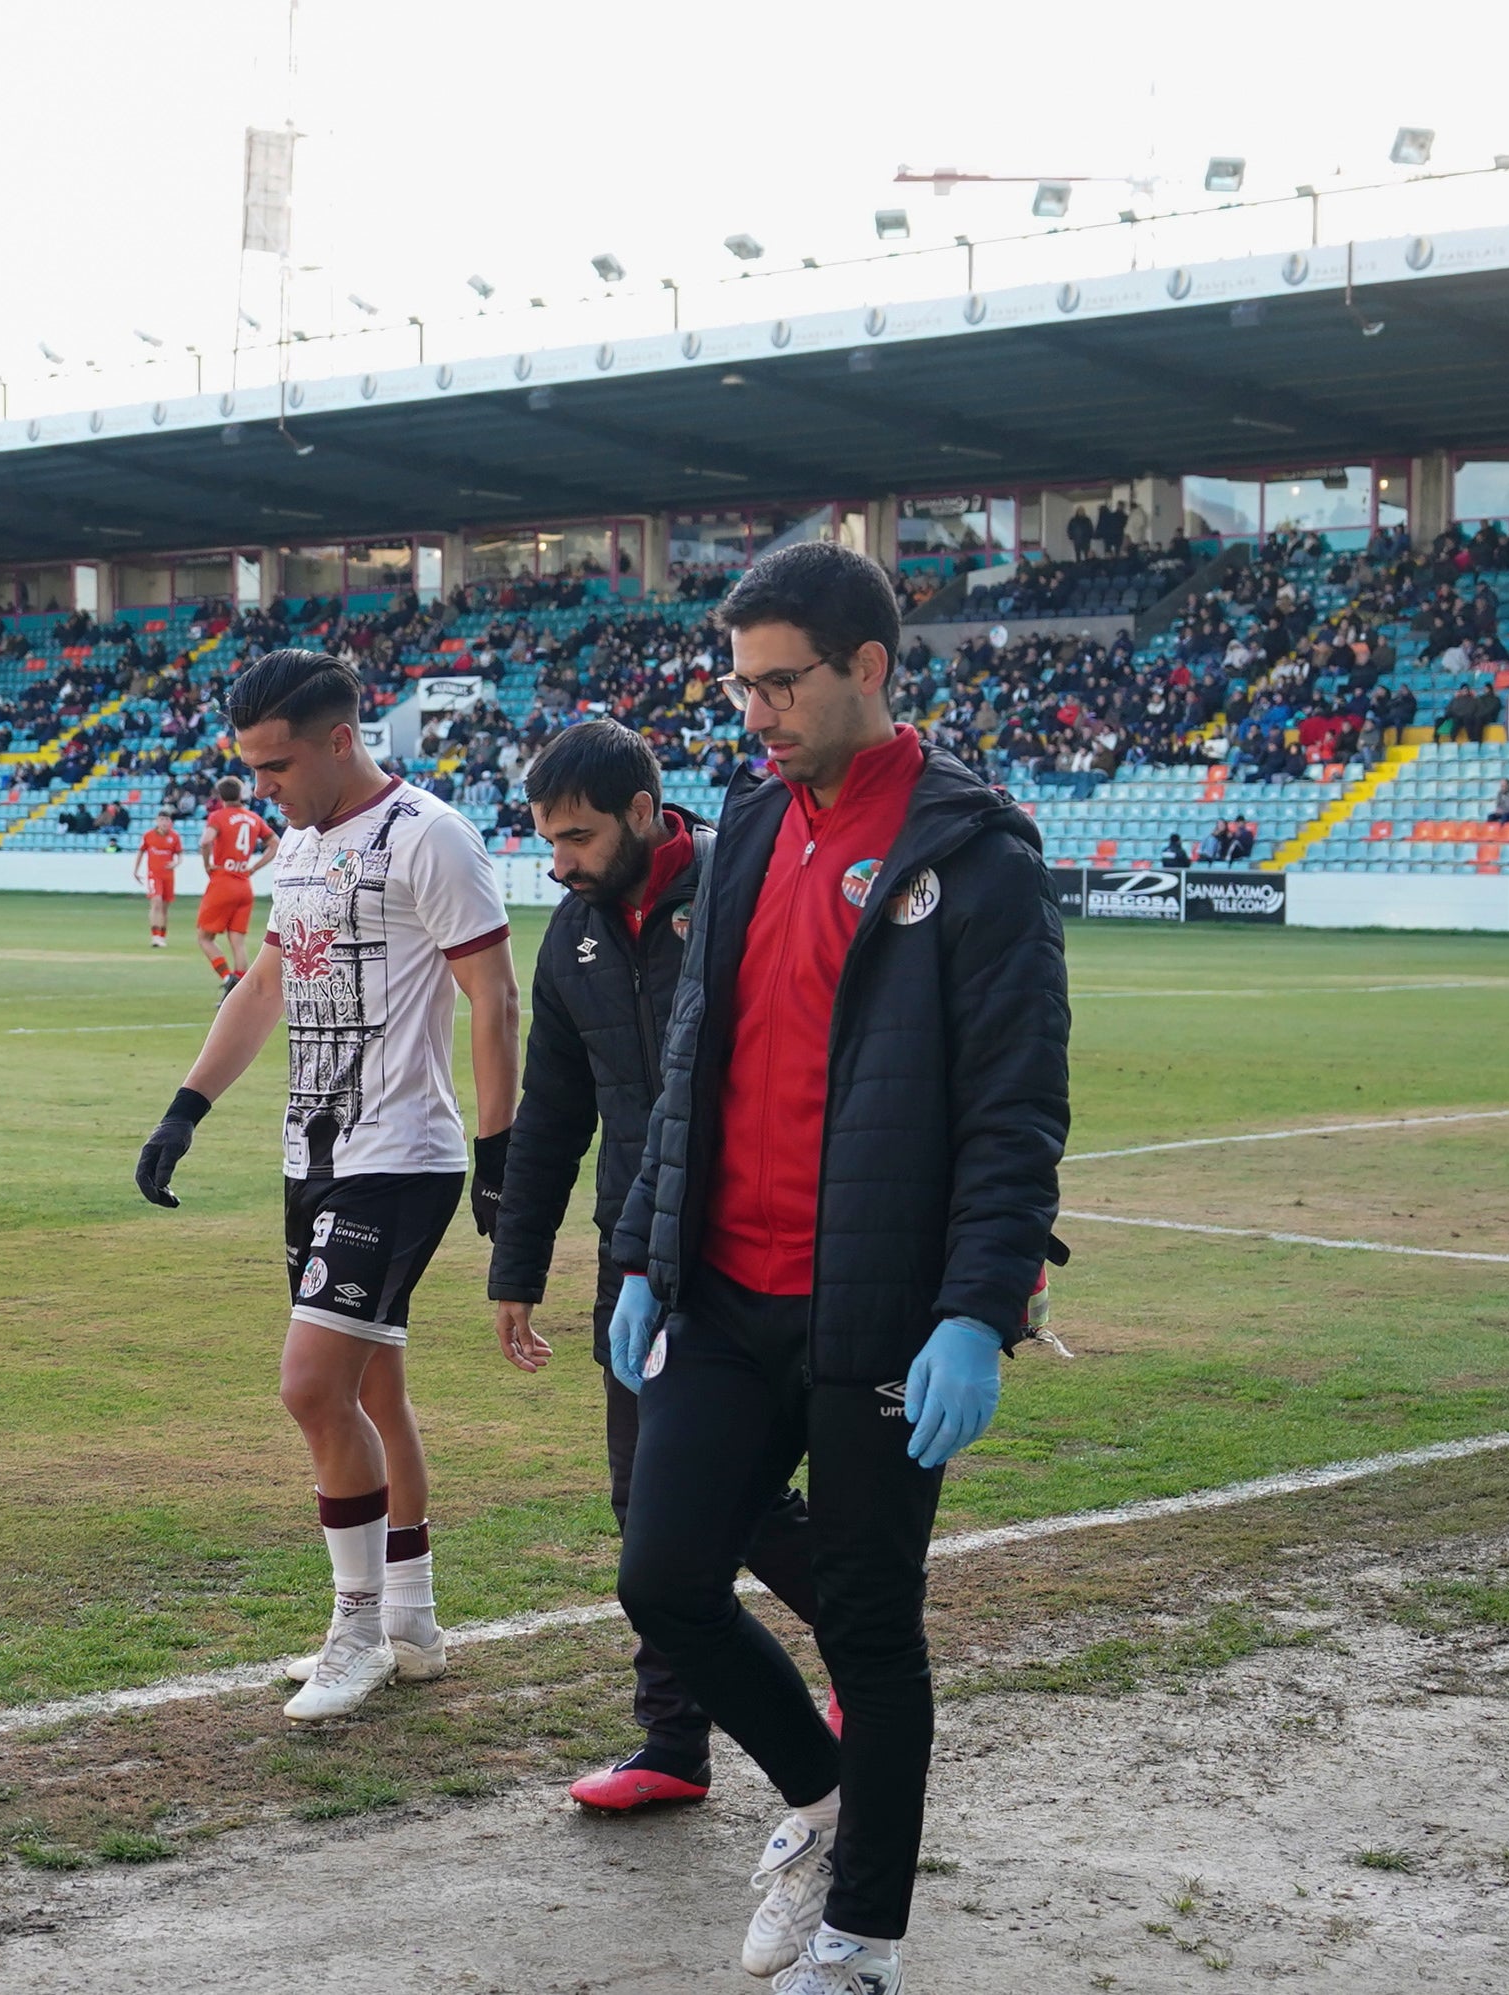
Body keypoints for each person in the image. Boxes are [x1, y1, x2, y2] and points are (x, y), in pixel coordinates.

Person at [608, 541, 1068, 1992]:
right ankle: (822, 1799)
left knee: (867, 1620)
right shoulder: (745, 825)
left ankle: (862, 1938)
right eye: (740, 684)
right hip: (728, 1294)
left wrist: (979, 1311)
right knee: (665, 1575)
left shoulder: (974, 854)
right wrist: (639, 1249)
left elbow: (1014, 1106)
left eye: (781, 682)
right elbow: (694, 1058)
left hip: (880, 1308)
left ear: (870, 666)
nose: (755, 711)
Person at [133, 649, 519, 1725]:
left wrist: (502, 1157)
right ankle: (411, 1618)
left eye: (275, 765)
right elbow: (266, 981)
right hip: (315, 1158)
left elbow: (493, 997)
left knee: (311, 1387)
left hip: (402, 1156)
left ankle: (354, 1630)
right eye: (252, 769)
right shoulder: (298, 848)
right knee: (371, 1394)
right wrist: (187, 1107)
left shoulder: (429, 837)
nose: (265, 789)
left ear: (340, 739)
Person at [483, 718, 825, 1814]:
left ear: (644, 811)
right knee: (646, 1504)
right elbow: (551, 1115)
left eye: (578, 838)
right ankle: (673, 1745)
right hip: (636, 1264)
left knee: (733, 1501)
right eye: (547, 839)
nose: (560, 861)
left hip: (752, 1249)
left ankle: (870, 1641)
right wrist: (515, 1264)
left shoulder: (746, 891)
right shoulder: (573, 936)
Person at [196, 775, 272, 996]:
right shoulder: (253, 818)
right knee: (237, 941)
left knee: (204, 938)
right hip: (244, 884)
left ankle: (228, 978)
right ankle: (240, 991)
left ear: (220, 797)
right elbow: (274, 843)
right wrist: (254, 868)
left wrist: (207, 865)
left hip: (223, 882)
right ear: (241, 794)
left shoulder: (218, 816)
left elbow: (205, 841)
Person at [135, 808, 183, 948]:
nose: (164, 822)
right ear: (157, 821)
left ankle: (162, 936)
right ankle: (155, 936)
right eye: (161, 819)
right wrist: (136, 870)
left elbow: (180, 854)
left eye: (167, 820)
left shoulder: (174, 837)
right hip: (154, 875)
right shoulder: (148, 835)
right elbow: (141, 852)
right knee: (156, 902)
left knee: (164, 907)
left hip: (168, 876)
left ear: (170, 822)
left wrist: (176, 863)